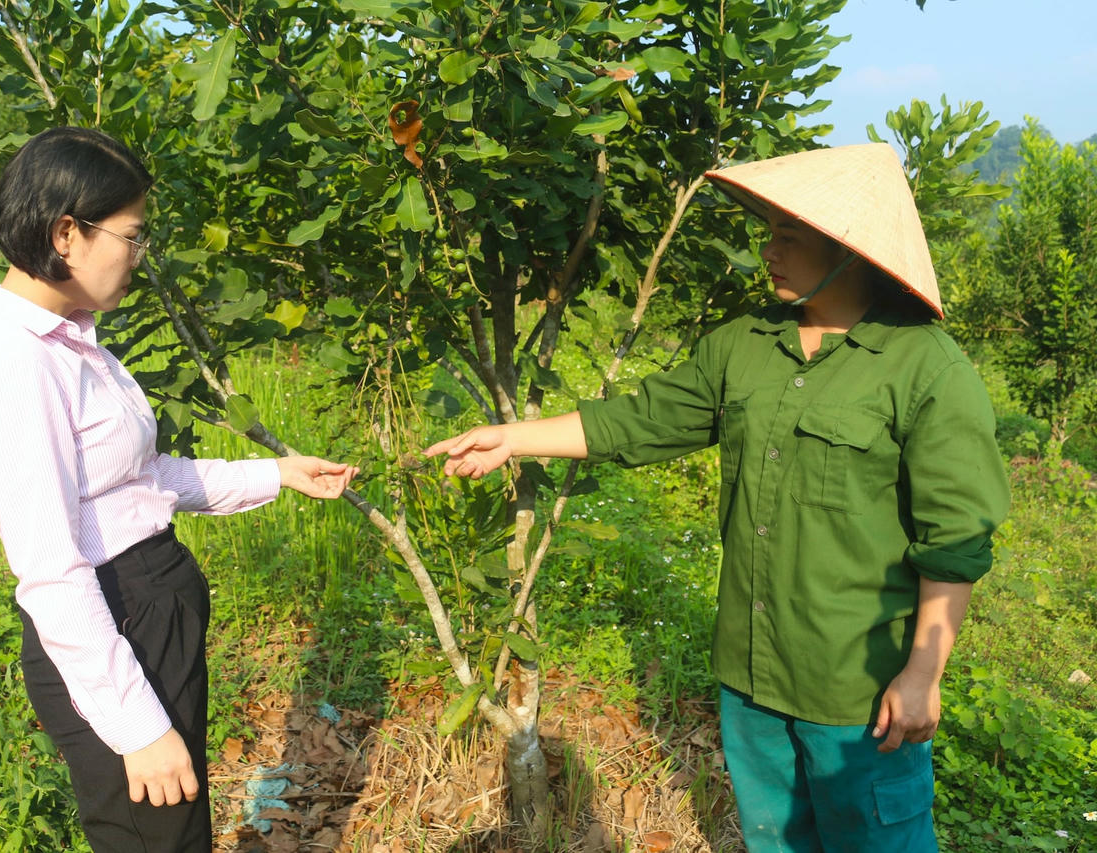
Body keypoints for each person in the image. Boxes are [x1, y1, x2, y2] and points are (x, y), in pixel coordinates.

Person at [425, 144, 1010, 851]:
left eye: (789, 237)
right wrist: (513, 438)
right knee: (775, 840)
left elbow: (954, 541)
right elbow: (642, 420)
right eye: (770, 233)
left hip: (856, 689)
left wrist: (922, 672)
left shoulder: (926, 369)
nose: (769, 251)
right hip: (752, 673)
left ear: (849, 250)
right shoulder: (746, 345)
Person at [0, 126, 358, 853]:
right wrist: (137, 728)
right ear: (66, 233)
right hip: (112, 622)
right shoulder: (13, 365)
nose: (139, 255)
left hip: (147, 607)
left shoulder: (70, 340)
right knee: (154, 841)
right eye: (131, 236)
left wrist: (279, 473)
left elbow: (136, 481)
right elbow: (51, 570)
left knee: (177, 836)